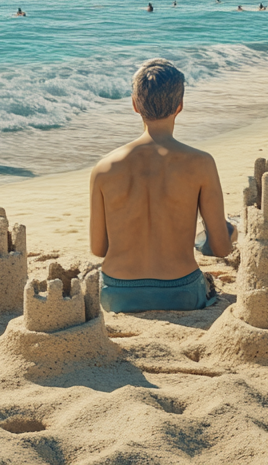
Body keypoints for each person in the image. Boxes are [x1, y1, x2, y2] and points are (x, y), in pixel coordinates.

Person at [89, 59, 233, 312]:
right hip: (181, 291)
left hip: (116, 293)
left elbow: (98, 249)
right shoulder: (201, 163)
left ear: (134, 105)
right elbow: (221, 249)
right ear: (180, 106)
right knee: (222, 230)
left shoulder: (104, 167)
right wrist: (224, 233)